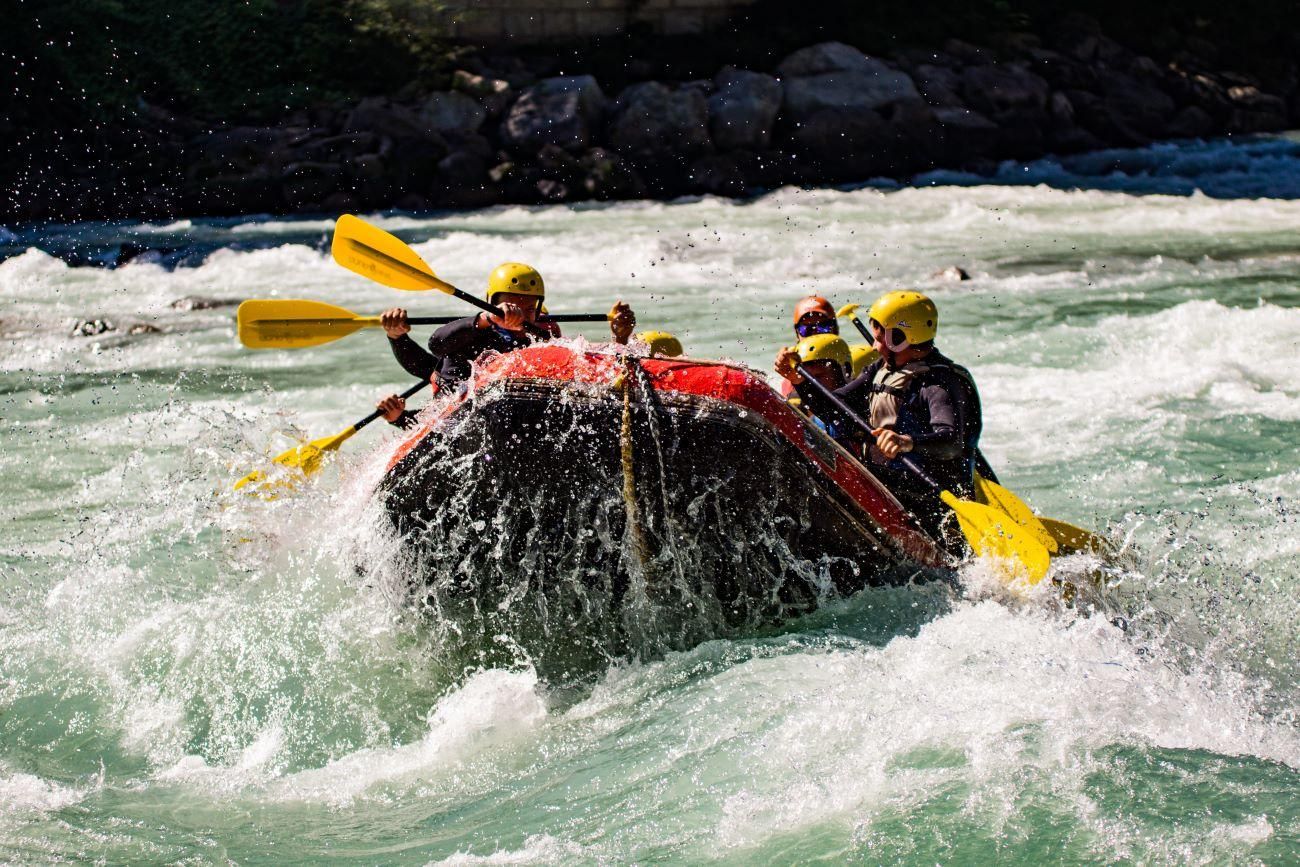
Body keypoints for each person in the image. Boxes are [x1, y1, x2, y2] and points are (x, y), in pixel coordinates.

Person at [774, 290, 986, 542]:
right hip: (892, 484)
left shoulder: (940, 384)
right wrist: (800, 381)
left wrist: (907, 442)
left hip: (930, 499)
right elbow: (835, 408)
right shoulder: (881, 368)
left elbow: (952, 442)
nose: (874, 347)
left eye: (880, 339)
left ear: (901, 338)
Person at [375, 262, 635, 426]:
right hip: (457, 416)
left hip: (515, 423)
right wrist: (399, 419)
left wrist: (620, 339)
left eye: (528, 307)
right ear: (491, 302)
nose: (518, 313)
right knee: (434, 371)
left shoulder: (545, 337)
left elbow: (594, 373)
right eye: (510, 304)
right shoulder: (471, 333)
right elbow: (436, 345)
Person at [774, 333, 857, 449]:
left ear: (843, 372)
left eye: (818, 376)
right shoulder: (797, 403)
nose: (811, 383)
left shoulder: (860, 399)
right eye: (806, 377)